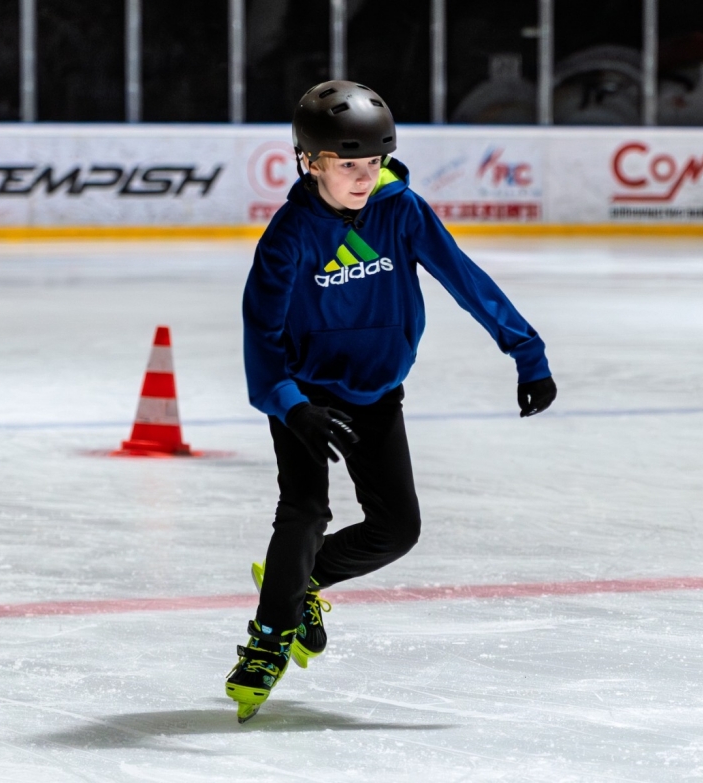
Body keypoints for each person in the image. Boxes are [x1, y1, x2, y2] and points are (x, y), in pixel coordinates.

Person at [226, 80, 557, 722]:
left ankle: (300, 583)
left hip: (376, 391)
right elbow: (259, 337)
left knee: (397, 530)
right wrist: (291, 405)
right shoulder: (289, 234)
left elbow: (466, 279)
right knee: (304, 508)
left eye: (372, 162)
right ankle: (268, 641)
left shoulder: (402, 211)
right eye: (346, 164)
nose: (361, 177)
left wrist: (527, 353)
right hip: (304, 393)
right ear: (309, 162)